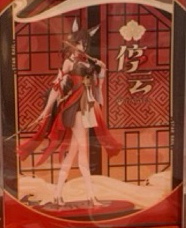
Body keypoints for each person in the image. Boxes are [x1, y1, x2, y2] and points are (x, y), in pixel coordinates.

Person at [18, 18, 121, 205]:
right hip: (75, 108)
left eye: (85, 44)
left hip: (87, 107)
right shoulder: (68, 62)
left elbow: (97, 87)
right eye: (79, 43)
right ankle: (91, 196)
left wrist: (102, 71)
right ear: (73, 43)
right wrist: (45, 111)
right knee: (83, 151)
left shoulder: (88, 63)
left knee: (73, 152)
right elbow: (56, 88)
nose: (82, 47)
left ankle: (57, 194)